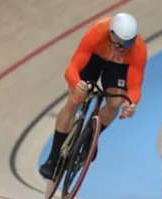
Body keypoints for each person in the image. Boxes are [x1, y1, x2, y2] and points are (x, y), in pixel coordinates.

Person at [39, 13, 148, 179]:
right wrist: (77, 83)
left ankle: (91, 135)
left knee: (116, 102)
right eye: (120, 43)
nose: (124, 47)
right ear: (111, 34)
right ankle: (53, 158)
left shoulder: (138, 49)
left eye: (128, 43)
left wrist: (131, 103)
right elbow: (72, 68)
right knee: (75, 99)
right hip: (94, 59)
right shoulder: (97, 32)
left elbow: (134, 86)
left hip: (118, 67)